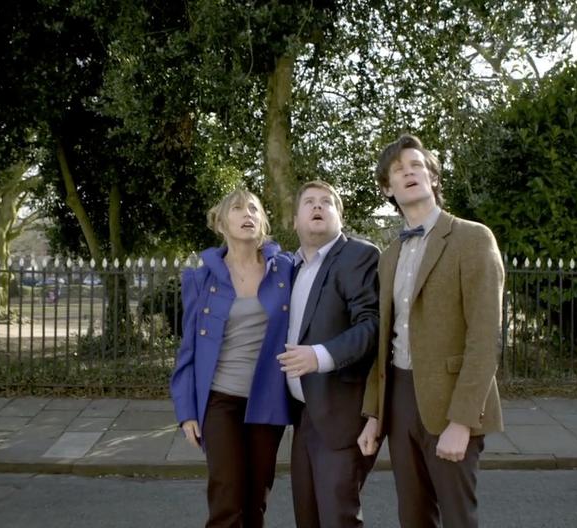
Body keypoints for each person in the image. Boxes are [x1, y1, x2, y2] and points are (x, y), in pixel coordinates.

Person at [357, 134, 505, 528]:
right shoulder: (389, 256)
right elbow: (384, 342)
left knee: (458, 518)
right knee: (414, 516)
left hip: (452, 400)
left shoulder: (472, 238)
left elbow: (485, 337)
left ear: (434, 179)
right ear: (388, 188)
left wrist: (462, 420)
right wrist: (374, 414)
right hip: (400, 398)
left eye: (417, 165)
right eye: (398, 170)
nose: (409, 172)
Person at [170, 189, 294, 528]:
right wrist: (187, 412)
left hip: (267, 400)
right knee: (227, 497)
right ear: (221, 223)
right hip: (219, 401)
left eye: (254, 208)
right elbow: (189, 349)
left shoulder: (285, 270)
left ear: (263, 222)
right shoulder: (201, 279)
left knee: (255, 500)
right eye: (237, 208)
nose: (247, 213)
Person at [275, 180, 380, 528]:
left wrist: (320, 356)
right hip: (303, 415)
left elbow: (372, 325)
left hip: (341, 414)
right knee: (307, 516)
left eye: (326, 202)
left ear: (340, 216)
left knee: (338, 519)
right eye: (309, 202)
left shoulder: (358, 255)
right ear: (295, 221)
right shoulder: (292, 267)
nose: (317, 207)